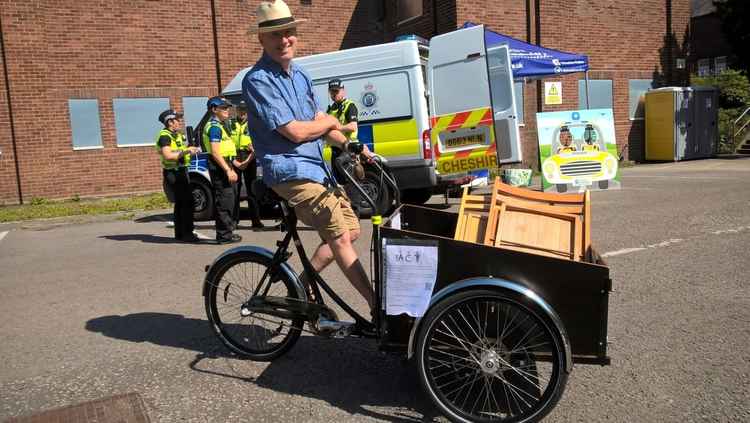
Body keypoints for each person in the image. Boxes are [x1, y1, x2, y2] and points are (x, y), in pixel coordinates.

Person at [242, 0, 375, 316]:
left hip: (316, 170)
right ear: (261, 39)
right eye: (275, 34)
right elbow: (297, 132)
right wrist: (330, 121)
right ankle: (376, 306)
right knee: (341, 237)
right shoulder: (257, 80)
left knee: (353, 229)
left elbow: (319, 120)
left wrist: (352, 146)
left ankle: (300, 287)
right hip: (289, 172)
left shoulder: (300, 75)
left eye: (288, 32)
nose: (284, 39)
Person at [155, 109, 201, 242]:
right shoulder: (165, 136)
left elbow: (181, 152)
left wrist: (192, 151)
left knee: (182, 203)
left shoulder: (176, 135)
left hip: (180, 170)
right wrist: (186, 151)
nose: (180, 122)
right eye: (177, 120)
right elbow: (168, 155)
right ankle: (187, 233)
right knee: (186, 203)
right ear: (170, 122)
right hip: (174, 172)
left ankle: (180, 233)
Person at [202, 96, 242, 244]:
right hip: (220, 166)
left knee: (230, 199)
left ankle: (228, 232)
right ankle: (224, 235)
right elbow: (215, 152)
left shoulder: (220, 126)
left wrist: (236, 164)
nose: (227, 110)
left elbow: (224, 150)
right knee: (224, 201)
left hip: (225, 164)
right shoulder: (214, 127)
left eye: (227, 108)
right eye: (223, 108)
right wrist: (227, 170)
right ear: (214, 109)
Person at [230, 101, 264, 229]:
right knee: (235, 191)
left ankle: (256, 221)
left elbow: (258, 145)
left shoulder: (254, 124)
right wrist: (236, 162)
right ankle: (234, 221)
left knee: (252, 191)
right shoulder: (230, 124)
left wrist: (247, 161)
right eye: (240, 110)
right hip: (235, 158)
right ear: (237, 110)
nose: (243, 113)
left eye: (245, 110)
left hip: (250, 158)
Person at [326, 79, 359, 183]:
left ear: (343, 90)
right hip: (335, 150)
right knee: (339, 182)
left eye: (336, 91)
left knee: (351, 181)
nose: (334, 94)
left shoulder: (350, 106)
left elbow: (353, 126)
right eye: (332, 92)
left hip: (348, 148)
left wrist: (338, 127)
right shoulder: (330, 109)